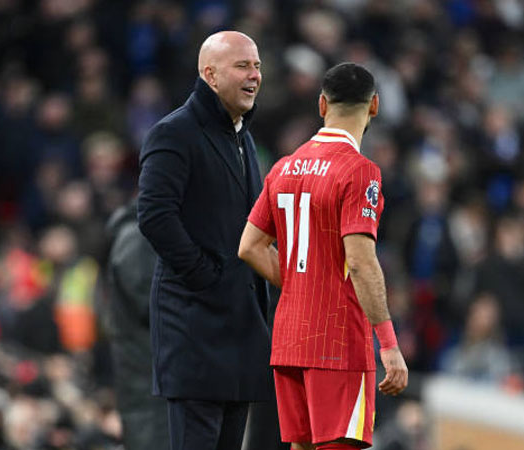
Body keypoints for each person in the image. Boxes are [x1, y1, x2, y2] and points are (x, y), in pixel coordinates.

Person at [239, 63, 408, 450]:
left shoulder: (284, 167)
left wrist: (299, 284)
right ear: (375, 106)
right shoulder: (359, 171)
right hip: (338, 340)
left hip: (288, 339)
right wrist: (389, 344)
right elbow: (362, 261)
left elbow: (249, 246)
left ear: (321, 104)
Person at [137, 31, 273, 450]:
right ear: (210, 75)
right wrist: (206, 277)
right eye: (243, 66)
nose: (255, 75)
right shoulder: (174, 132)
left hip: (238, 330)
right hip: (196, 327)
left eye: (258, 66)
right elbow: (155, 215)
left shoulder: (243, 138)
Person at [104, 200, 169, 450]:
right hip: (148, 393)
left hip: (152, 387)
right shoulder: (136, 238)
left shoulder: (140, 236)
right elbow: (151, 306)